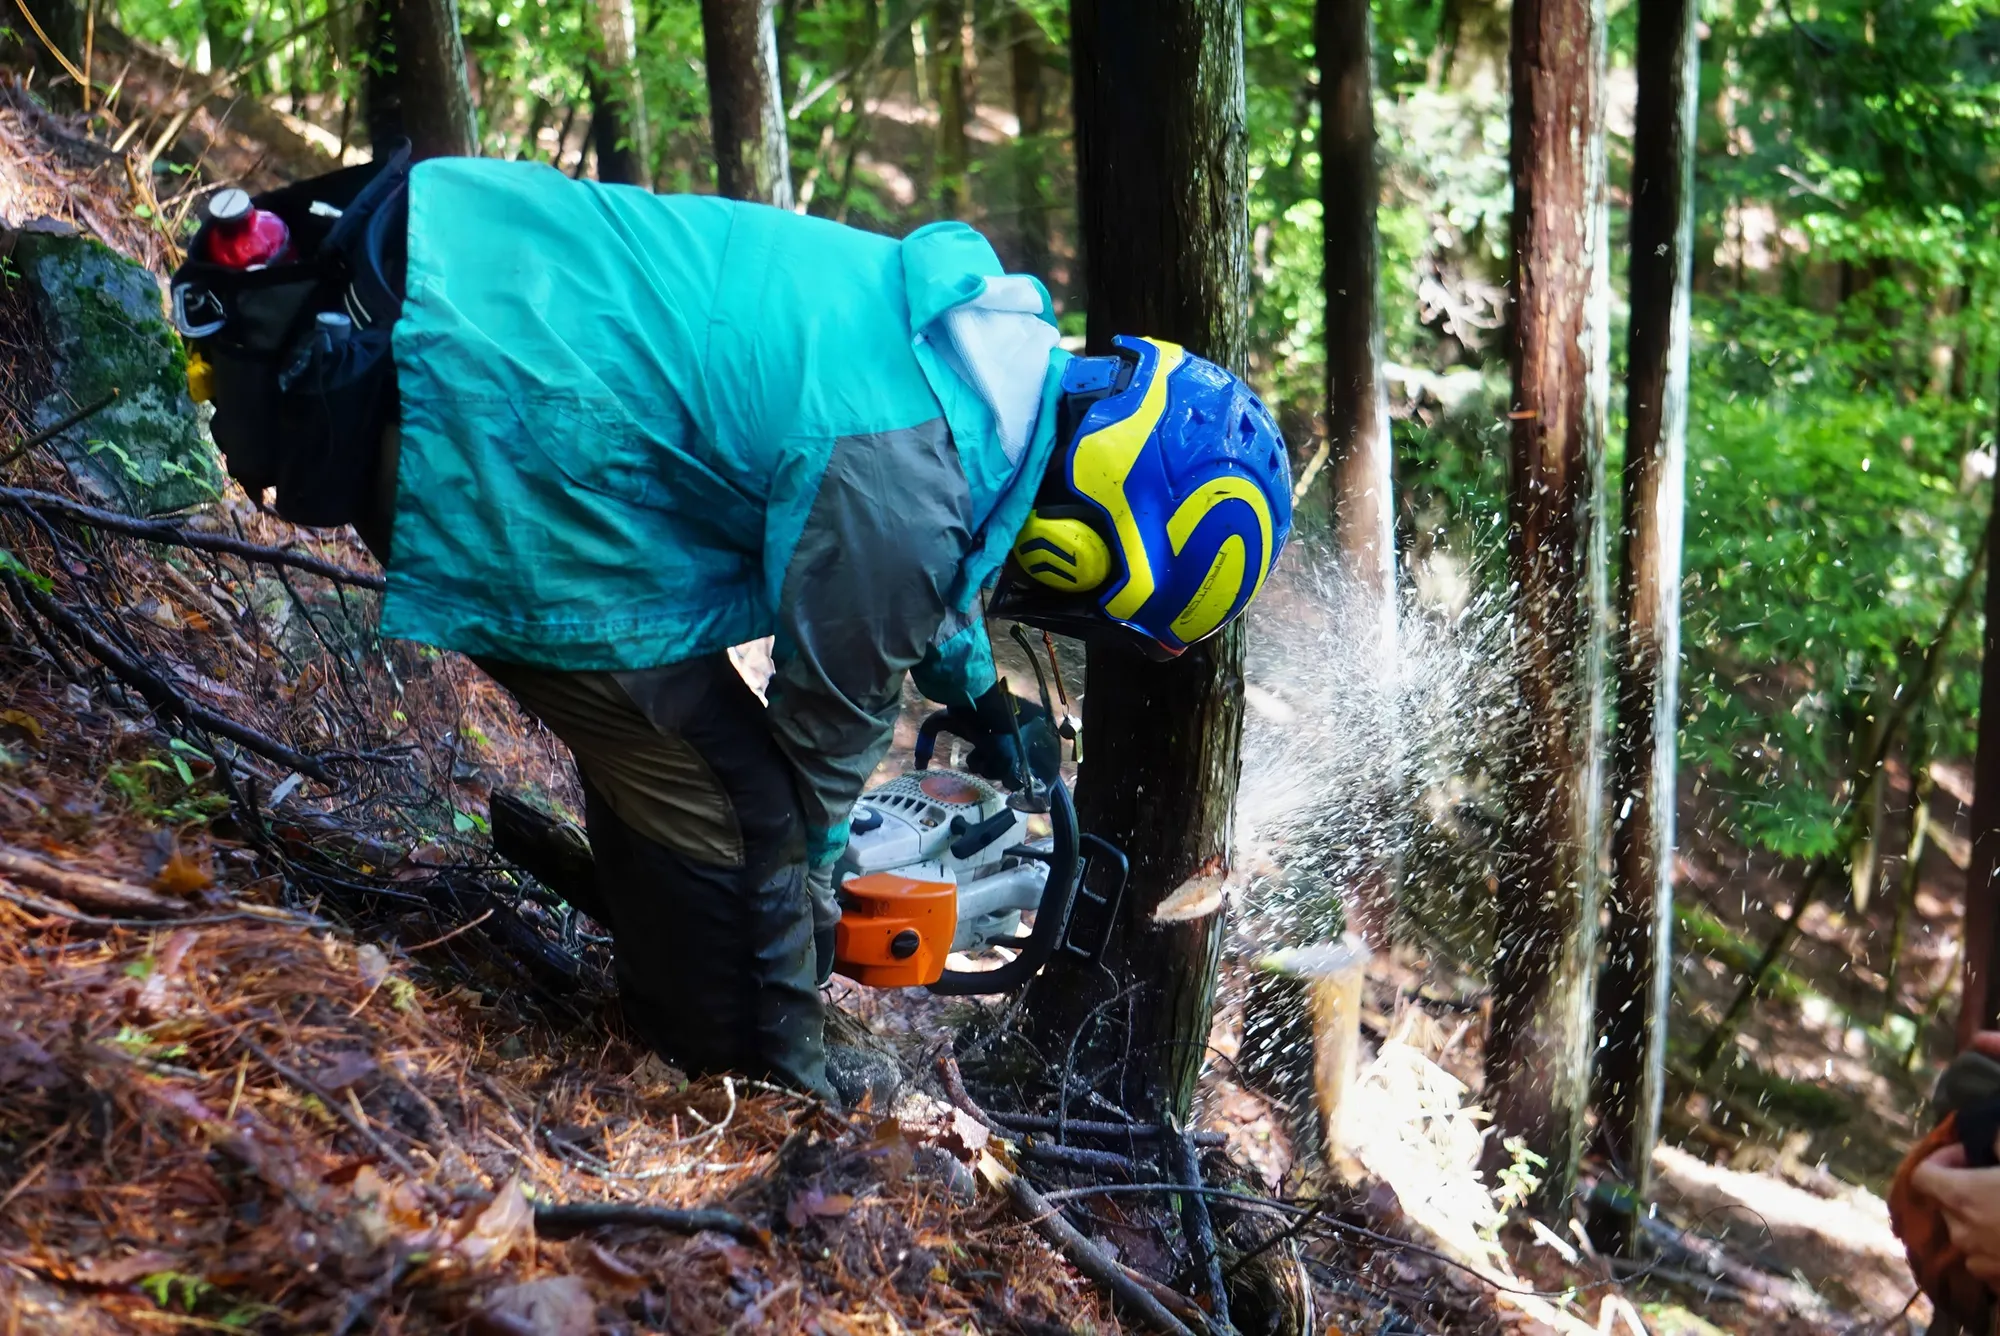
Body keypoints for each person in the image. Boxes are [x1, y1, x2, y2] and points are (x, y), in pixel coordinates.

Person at [208, 157, 1294, 1103]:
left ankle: (672, 969)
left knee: (688, 760)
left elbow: (935, 534)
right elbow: (824, 731)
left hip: (458, 281)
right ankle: (739, 1077)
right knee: (743, 807)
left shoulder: (974, 358)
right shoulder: (903, 484)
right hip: (479, 420)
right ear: (1080, 548)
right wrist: (807, 939)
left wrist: (975, 694)